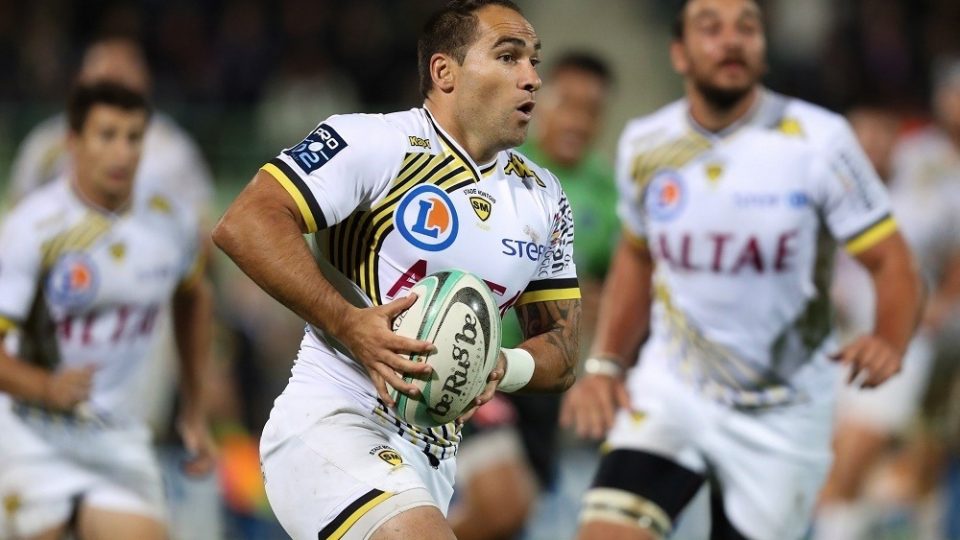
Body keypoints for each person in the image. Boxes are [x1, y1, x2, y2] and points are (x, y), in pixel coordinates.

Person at [211, 1, 582, 539]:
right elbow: (245, 222)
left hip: (432, 456)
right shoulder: (373, 143)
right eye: (508, 57)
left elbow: (564, 349)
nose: (532, 78)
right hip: (335, 421)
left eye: (533, 61)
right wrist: (349, 323)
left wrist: (498, 365)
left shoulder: (544, 198)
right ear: (444, 72)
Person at [559, 0, 924, 538]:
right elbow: (636, 257)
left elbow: (892, 260)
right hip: (674, 389)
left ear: (763, 49)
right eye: (710, 28)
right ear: (679, 53)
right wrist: (607, 364)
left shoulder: (819, 141)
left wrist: (890, 338)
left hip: (781, 408)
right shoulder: (646, 143)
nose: (731, 40)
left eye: (747, 27)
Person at [0, 82, 215, 540]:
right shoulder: (31, 229)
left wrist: (194, 407)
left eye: (134, 137)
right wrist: (45, 385)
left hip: (118, 437)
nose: (123, 152)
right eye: (108, 135)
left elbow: (194, 296)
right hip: (30, 433)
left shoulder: (169, 219)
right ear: (73, 142)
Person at [450, 51, 617, 540]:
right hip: (478, 364)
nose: (578, 120)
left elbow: (610, 288)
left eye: (592, 109)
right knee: (506, 507)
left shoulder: (608, 194)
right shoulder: (497, 168)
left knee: (518, 517)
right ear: (541, 103)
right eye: (568, 103)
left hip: (543, 378)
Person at [815, 102, 960, 540]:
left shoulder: (926, 196)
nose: (871, 144)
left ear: (898, 139)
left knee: (852, 461)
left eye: (881, 134)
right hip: (835, 340)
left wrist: (943, 304)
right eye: (862, 135)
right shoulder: (827, 191)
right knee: (843, 478)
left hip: (900, 343)